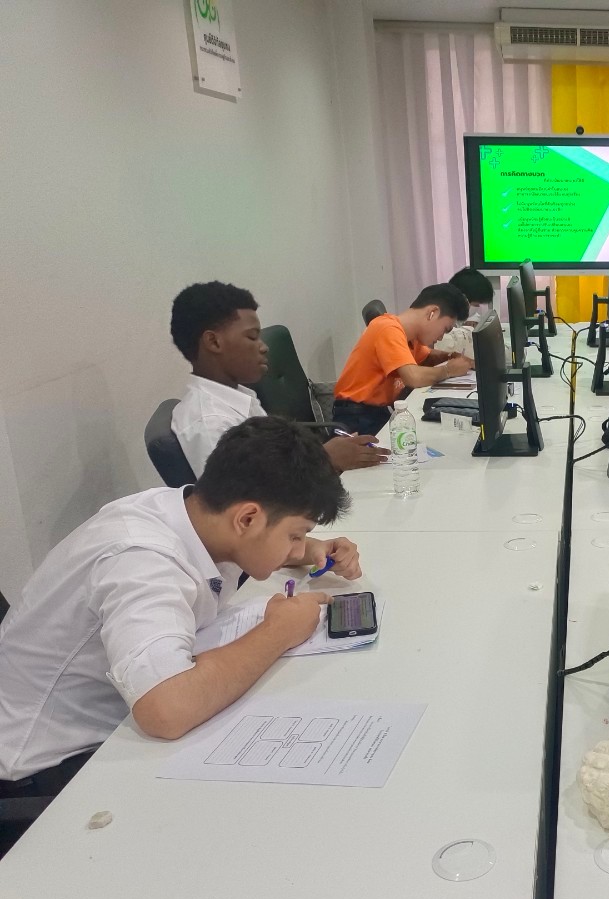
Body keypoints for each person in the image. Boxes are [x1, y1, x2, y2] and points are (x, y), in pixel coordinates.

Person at [0, 418, 362, 853]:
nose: (298, 546)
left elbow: (241, 544)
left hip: (112, 723)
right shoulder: (141, 560)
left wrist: (307, 550)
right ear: (248, 517)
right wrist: (278, 632)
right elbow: (167, 710)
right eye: (295, 534)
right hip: (53, 768)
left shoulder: (188, 512)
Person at [169, 281, 386, 476]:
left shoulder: (239, 396)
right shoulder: (211, 424)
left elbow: (271, 465)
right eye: (252, 337)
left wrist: (323, 454)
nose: (264, 347)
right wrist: (324, 459)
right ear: (214, 342)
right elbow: (245, 500)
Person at [332, 283, 474, 435]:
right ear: (432, 313)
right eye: (445, 329)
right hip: (356, 417)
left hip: (375, 412)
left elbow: (427, 357)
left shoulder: (410, 336)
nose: (441, 337)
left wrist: (451, 357)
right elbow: (413, 377)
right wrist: (448, 370)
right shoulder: (387, 328)